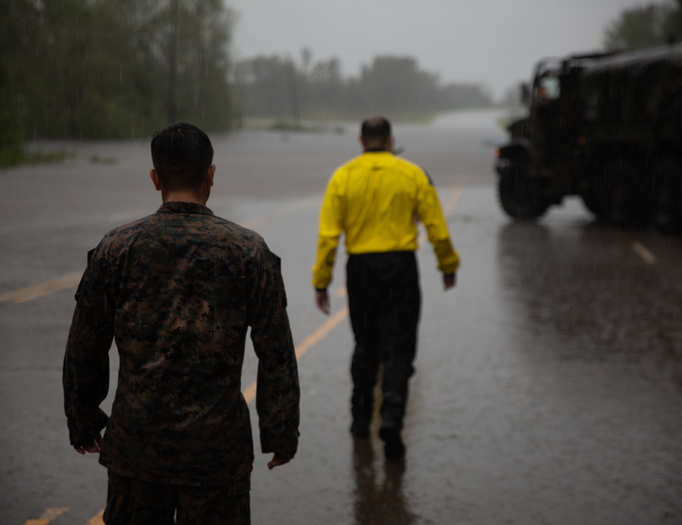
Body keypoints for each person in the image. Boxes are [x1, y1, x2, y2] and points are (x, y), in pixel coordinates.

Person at [63, 122, 300, 525]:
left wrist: (82, 417)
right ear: (211, 174)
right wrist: (279, 431)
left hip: (137, 447)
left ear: (155, 178)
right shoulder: (247, 251)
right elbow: (275, 350)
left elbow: (86, 343)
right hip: (216, 451)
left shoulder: (117, 248)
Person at [312, 116, 459, 459]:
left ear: (362, 141)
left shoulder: (343, 176)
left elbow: (329, 236)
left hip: (360, 269)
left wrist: (322, 281)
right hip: (400, 267)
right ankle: (391, 417)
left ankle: (360, 419)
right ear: (390, 140)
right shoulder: (412, 174)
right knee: (399, 346)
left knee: (365, 344)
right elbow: (436, 226)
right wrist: (447, 265)